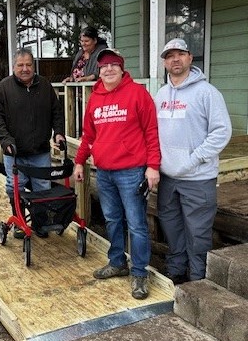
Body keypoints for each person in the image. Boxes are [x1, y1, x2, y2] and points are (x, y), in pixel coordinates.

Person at [73, 48, 161, 300]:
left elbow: (151, 132)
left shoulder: (138, 94)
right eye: (103, 66)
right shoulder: (95, 98)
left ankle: (140, 273)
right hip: (104, 172)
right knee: (112, 220)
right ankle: (117, 262)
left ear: (122, 69)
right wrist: (80, 162)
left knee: (136, 224)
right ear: (98, 72)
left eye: (113, 65)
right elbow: (88, 135)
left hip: (132, 171)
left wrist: (153, 166)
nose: (108, 69)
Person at [155, 38, 232, 284]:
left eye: (180, 54)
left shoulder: (207, 93)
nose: (175, 59)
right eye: (169, 55)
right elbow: (153, 132)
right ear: (165, 63)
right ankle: (176, 272)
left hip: (198, 179)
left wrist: (194, 159)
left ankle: (197, 280)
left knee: (198, 234)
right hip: (168, 178)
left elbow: (222, 131)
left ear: (189, 58)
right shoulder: (161, 94)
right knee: (172, 229)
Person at [0, 48, 65, 238]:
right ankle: (19, 223)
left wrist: (58, 133)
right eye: (20, 65)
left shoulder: (45, 86)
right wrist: (5, 140)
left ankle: (40, 224)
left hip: (40, 151)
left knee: (42, 188)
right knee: (15, 188)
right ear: (14, 66)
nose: (25, 69)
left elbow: (56, 112)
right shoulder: (3, 88)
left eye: (28, 65)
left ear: (34, 66)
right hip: (15, 152)